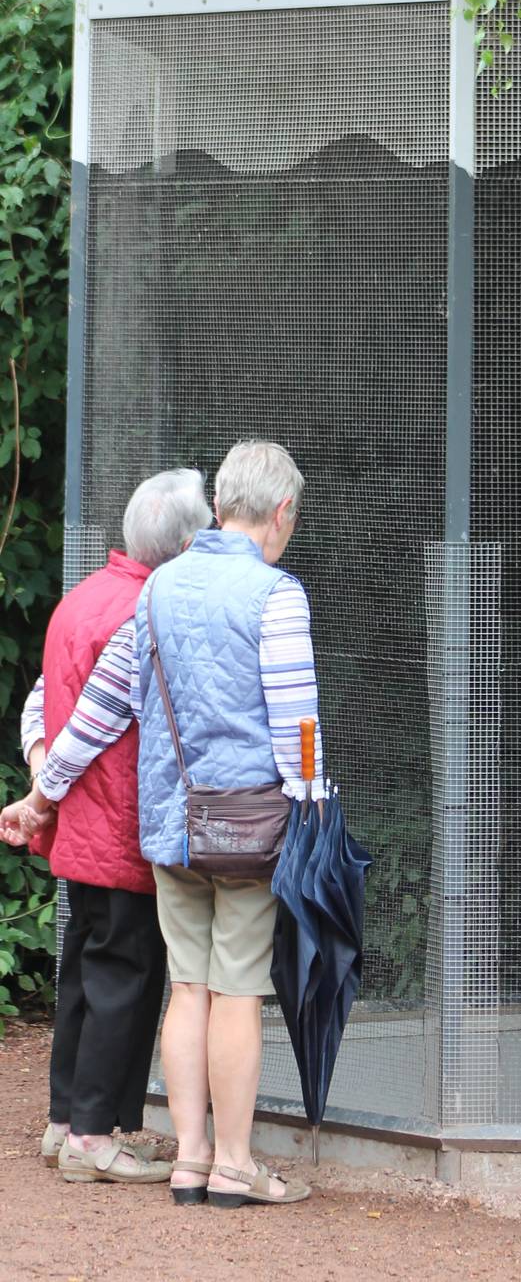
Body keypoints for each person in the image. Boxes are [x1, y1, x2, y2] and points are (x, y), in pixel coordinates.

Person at [47, 441, 322, 1206]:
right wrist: (313, 809)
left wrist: (48, 786)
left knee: (188, 986)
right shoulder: (277, 593)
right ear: (281, 511)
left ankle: (190, 1157)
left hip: (170, 826)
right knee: (238, 991)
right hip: (250, 828)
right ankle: (236, 1163)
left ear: (222, 502)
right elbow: (299, 727)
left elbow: (106, 702)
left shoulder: (158, 586)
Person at [1, 469, 212, 1184]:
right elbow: (94, 718)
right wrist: (44, 794)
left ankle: (66, 1121)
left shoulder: (83, 598)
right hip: (119, 827)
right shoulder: (143, 608)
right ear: (185, 543)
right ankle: (94, 1135)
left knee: (82, 976)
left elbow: (40, 704)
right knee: (125, 976)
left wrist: (40, 786)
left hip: (76, 836)